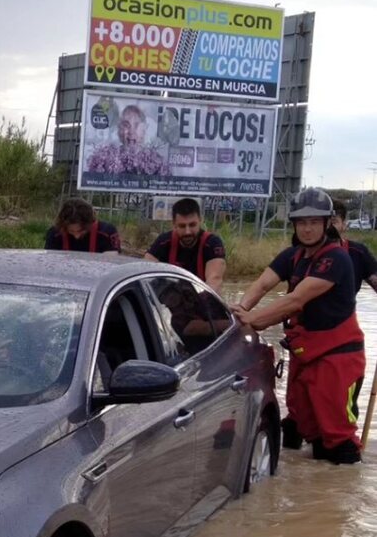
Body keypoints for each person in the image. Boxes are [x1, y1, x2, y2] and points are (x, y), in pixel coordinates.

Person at [233, 188, 365, 464]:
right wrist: (241, 309)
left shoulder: (336, 258)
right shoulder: (293, 256)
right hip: (304, 352)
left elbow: (296, 300)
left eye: (314, 222)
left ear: (327, 223)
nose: (307, 229)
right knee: (305, 427)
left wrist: (252, 321)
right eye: (302, 222)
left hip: (337, 357)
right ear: (294, 225)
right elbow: (262, 284)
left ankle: (339, 498)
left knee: (337, 439)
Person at [145, 197, 227, 292]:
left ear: (200, 220)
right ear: (174, 224)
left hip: (202, 299)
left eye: (192, 225)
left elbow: (214, 280)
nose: (187, 232)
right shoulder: (163, 242)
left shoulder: (211, 243)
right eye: (182, 226)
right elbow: (145, 273)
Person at [44, 197, 121, 254]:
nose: (76, 236)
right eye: (71, 231)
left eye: (81, 231)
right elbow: (51, 261)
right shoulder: (54, 233)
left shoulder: (107, 232)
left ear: (91, 223)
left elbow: (111, 263)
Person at [331, 198, 377, 293]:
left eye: (333, 222)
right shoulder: (298, 254)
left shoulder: (358, 253)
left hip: (345, 307)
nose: (327, 227)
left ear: (344, 225)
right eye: (322, 222)